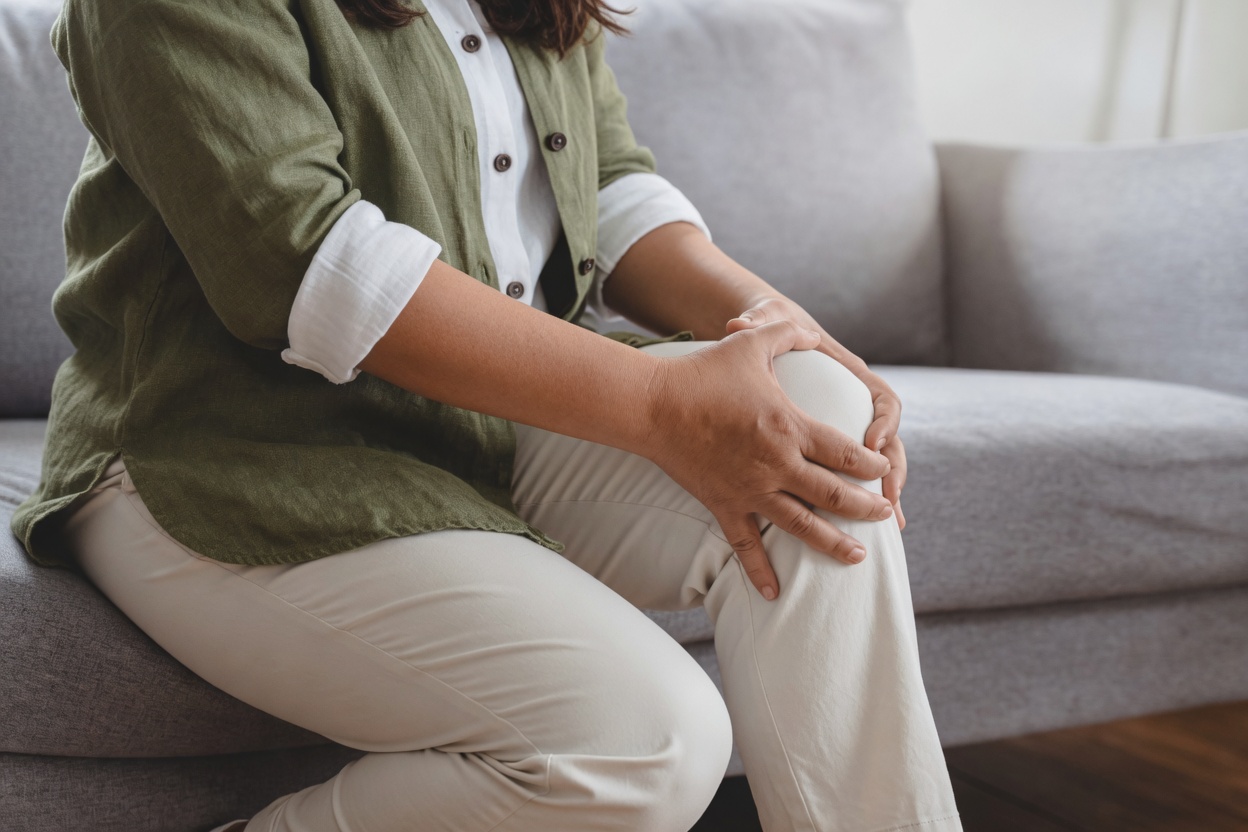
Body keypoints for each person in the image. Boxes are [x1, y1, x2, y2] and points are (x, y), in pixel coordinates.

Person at [13, 0, 963, 829]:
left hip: (476, 428)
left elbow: (607, 184)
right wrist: (664, 403)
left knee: (814, 407)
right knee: (642, 744)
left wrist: (773, 327)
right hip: (223, 454)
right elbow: (300, 261)